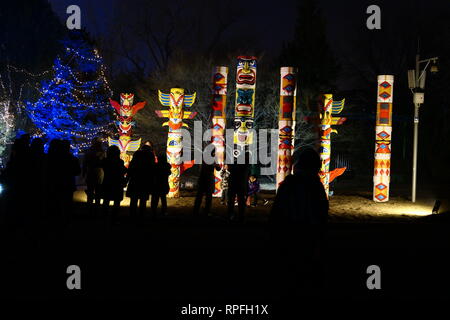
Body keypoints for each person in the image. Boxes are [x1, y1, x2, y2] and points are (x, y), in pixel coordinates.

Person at [269, 147, 328, 299]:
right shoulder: (317, 186)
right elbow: (322, 212)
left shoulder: (289, 183)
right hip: (309, 233)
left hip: (289, 232)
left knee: (289, 267)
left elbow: (277, 211)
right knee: (306, 267)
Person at [126, 145, 155, 222]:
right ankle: (141, 216)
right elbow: (152, 171)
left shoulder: (136, 156)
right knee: (143, 200)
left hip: (135, 180)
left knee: (133, 199)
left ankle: (132, 215)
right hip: (145, 181)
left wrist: (126, 180)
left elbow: (130, 169)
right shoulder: (150, 156)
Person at [101, 146, 127, 223]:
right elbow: (124, 170)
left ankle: (104, 216)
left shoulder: (105, 161)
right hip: (117, 183)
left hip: (108, 182)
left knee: (106, 200)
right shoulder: (120, 162)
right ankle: (115, 217)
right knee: (116, 201)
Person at [82, 138, 105, 213]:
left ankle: (90, 205)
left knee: (90, 189)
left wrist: (84, 172)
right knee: (98, 189)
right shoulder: (102, 151)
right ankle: (97, 206)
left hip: (91, 171)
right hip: (98, 172)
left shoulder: (89, 151)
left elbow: (85, 163)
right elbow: (104, 162)